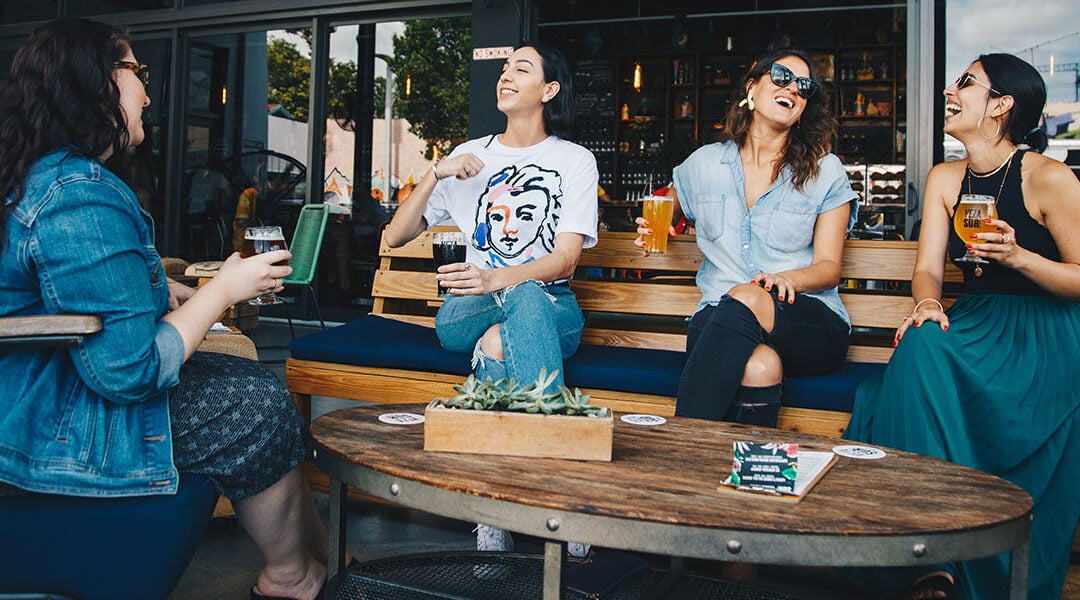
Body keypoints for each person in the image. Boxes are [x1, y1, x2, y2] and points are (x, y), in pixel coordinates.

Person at [0, 19, 336, 600]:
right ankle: (292, 574)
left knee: (242, 378)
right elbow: (125, 370)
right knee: (253, 401)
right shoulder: (77, 194)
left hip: (37, 385)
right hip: (43, 418)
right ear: (98, 81)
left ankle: (313, 557)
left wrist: (170, 293)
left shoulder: (43, 177)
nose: (149, 94)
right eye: (139, 73)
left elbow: (72, 298)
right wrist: (220, 291)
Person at [843, 53, 1080, 600]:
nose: (950, 90)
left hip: (1041, 333)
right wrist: (927, 303)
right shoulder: (946, 178)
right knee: (921, 342)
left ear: (1000, 105)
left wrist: (1020, 258)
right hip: (975, 320)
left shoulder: (1048, 177)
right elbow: (928, 269)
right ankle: (930, 558)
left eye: (966, 83)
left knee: (908, 371)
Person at [382, 42, 598, 554]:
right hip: (463, 313)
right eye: (503, 68)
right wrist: (436, 171)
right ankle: (556, 491)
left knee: (503, 339)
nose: (505, 75)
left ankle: (493, 512)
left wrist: (499, 278)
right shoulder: (469, 156)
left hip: (551, 308)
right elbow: (394, 236)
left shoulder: (573, 161)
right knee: (513, 298)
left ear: (548, 90)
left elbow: (565, 260)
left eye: (521, 69)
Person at [638, 47, 856, 428]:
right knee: (759, 366)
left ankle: (680, 443)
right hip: (720, 319)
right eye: (782, 77)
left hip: (805, 319)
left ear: (804, 108)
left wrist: (786, 279)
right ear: (752, 88)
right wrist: (653, 226)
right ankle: (748, 476)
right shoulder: (703, 164)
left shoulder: (826, 171)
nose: (793, 88)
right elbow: (666, 209)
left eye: (804, 87)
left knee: (749, 295)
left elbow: (828, 269)